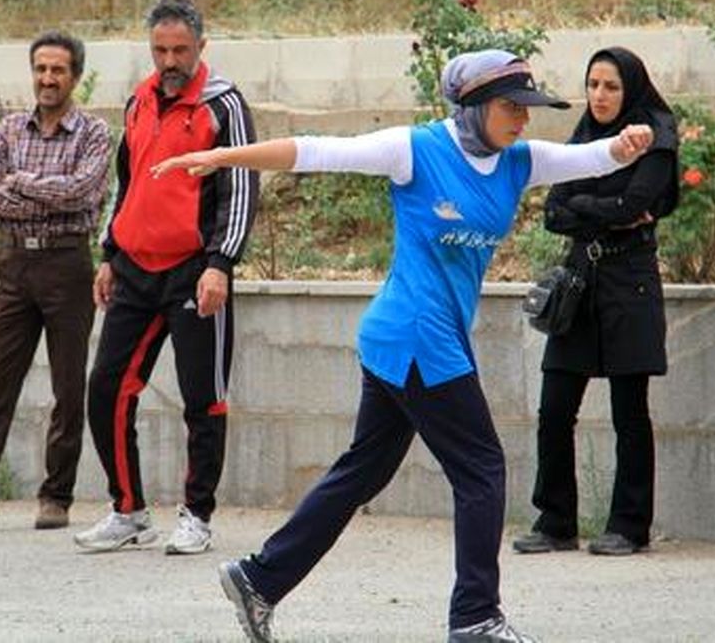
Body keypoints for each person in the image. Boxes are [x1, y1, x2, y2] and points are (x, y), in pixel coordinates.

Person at [153, 49, 655, 643]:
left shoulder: (519, 162)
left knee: (363, 471)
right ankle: (475, 617)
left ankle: (260, 579)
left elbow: (590, 158)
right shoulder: (415, 149)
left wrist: (625, 146)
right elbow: (314, 151)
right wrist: (222, 157)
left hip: (418, 337)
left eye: (528, 107)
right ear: (470, 107)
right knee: (482, 471)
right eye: (509, 107)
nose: (522, 118)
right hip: (416, 334)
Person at [73, 0, 259, 555]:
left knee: (203, 398)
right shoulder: (138, 100)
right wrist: (109, 252)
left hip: (194, 272)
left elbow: (241, 188)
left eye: (180, 50)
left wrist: (220, 264)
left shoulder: (222, 104)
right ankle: (128, 511)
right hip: (134, 270)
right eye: (160, 50)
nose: (170, 60)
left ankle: (197, 515)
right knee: (106, 389)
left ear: (201, 47)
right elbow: (125, 183)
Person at [0, 31, 112, 536]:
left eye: (58, 70)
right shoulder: (9, 129)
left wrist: (22, 183)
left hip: (66, 267)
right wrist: (41, 193)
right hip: (13, 267)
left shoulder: (93, 134)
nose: (48, 79)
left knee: (68, 386)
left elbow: (81, 192)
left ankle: (56, 497)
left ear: (74, 76)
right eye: (41, 69)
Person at [512, 47, 679, 558]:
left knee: (630, 412)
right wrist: (601, 209)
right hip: (580, 283)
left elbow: (637, 203)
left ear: (630, 88)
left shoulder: (653, 137)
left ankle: (629, 526)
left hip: (631, 284)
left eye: (611, 87)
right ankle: (555, 521)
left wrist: (587, 206)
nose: (600, 96)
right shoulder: (585, 135)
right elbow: (553, 212)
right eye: (593, 85)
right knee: (555, 407)